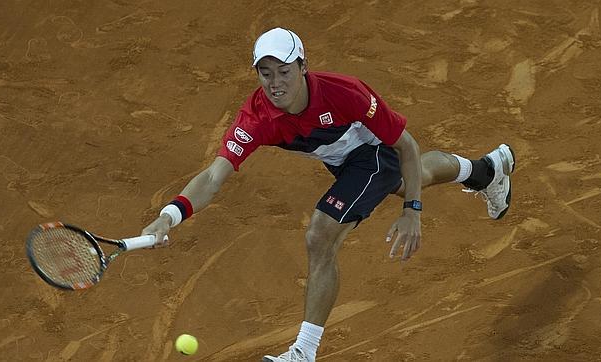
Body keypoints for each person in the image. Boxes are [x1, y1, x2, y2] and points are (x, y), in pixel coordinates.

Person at [141, 27, 515, 362]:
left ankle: (304, 351)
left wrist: (412, 210)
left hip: (373, 154)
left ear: (303, 67)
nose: (275, 83)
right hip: (344, 160)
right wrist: (170, 215)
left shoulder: (345, 93)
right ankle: (487, 170)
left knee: (321, 234)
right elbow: (213, 175)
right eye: (265, 73)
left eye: (284, 71)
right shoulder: (256, 117)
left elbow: (406, 146)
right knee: (411, 177)